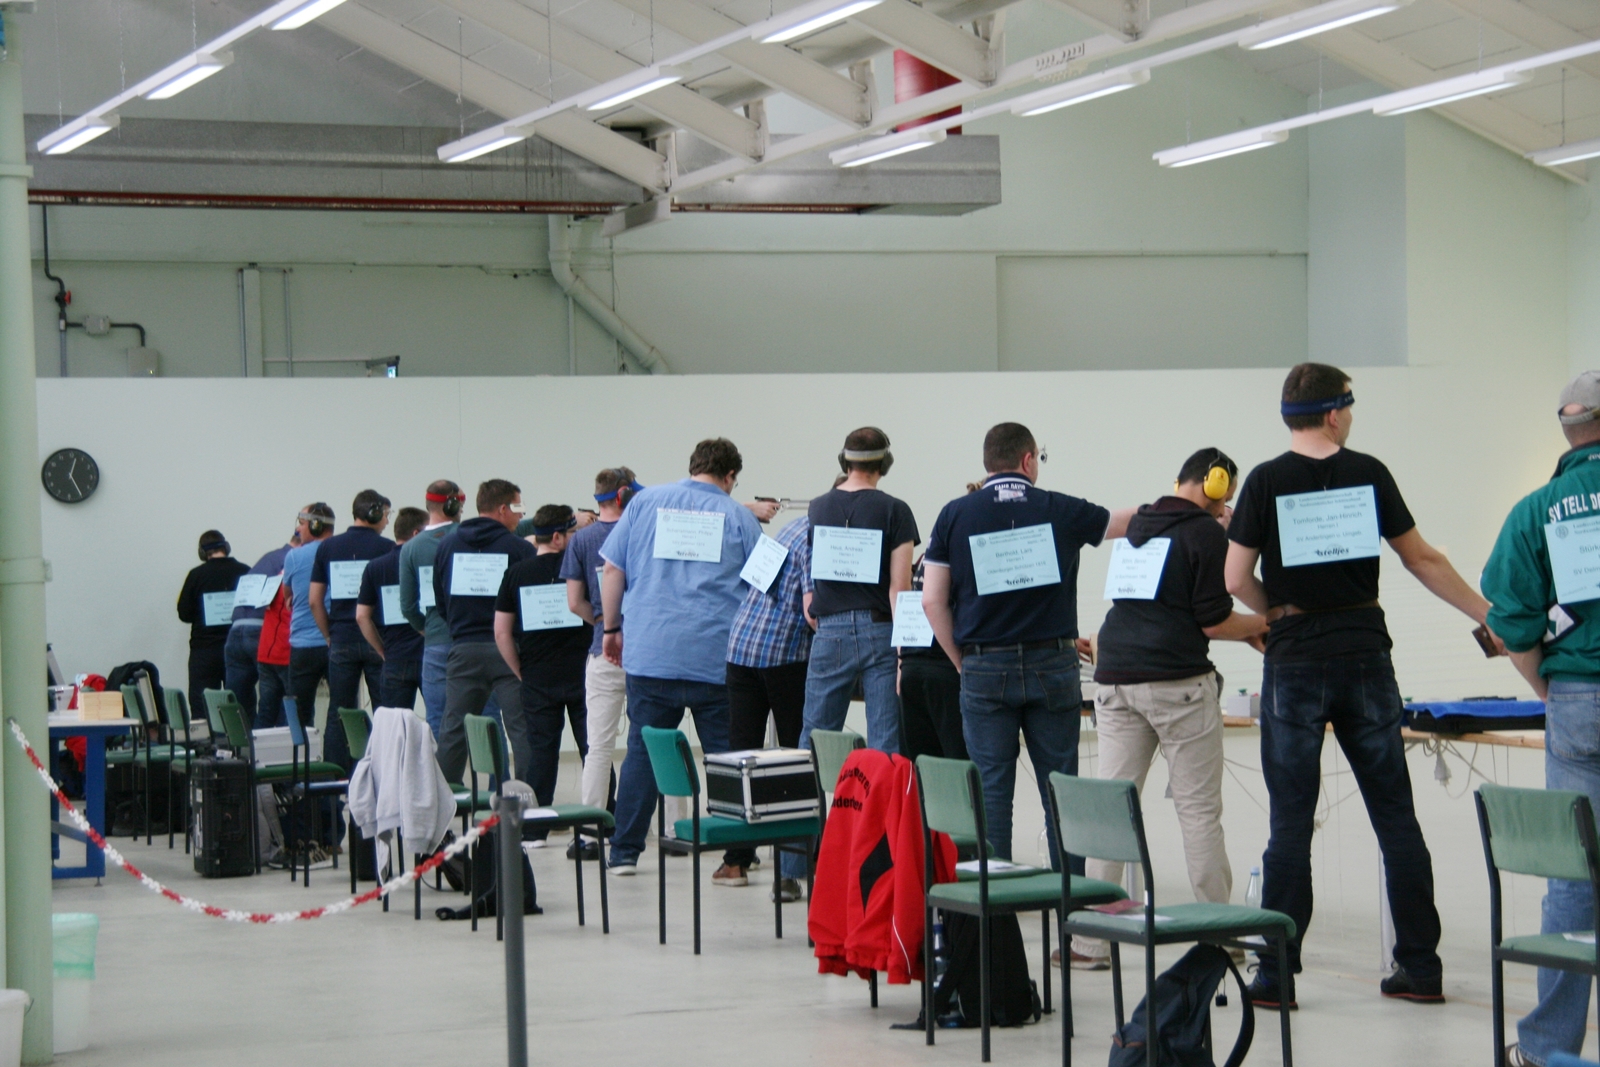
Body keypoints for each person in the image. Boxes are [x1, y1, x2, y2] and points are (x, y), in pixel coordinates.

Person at [1224, 362, 1496, 1009]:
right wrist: (1488, 613)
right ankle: (1420, 967)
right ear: (1333, 414)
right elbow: (1420, 557)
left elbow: (1233, 578)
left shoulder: (1264, 480)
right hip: (1366, 652)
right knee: (1395, 816)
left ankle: (1277, 976)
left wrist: (1276, 614)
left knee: (1291, 823)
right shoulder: (1368, 472)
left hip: (1294, 660)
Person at [1070, 448, 1269, 970]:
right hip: (1177, 684)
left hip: (1115, 680)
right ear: (1215, 482)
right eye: (1225, 494)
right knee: (1199, 814)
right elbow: (1214, 620)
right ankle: (1220, 936)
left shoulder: (1139, 525)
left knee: (1113, 811)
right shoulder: (1205, 534)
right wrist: (1262, 623)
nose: (1226, 505)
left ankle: (1089, 944)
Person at [921, 422, 1133, 864]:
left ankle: (996, 900)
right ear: (1028, 460)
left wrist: (962, 661)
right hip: (1052, 664)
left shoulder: (954, 515)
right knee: (1061, 790)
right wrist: (1186, 506)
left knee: (992, 792)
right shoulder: (1061, 508)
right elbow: (1126, 522)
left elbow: (932, 600)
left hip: (983, 665)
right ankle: (1069, 901)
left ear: (988, 462)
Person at [1482, 371, 1600, 1067]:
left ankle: (1550, 1046)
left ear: (1567, 431)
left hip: (1578, 697)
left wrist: (1547, 688)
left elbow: (1511, 619)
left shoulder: (1536, 511)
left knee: (1574, 874)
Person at [600, 438, 762, 875]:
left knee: (642, 751)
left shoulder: (643, 504)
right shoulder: (739, 517)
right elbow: (767, 581)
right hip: (717, 658)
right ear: (730, 476)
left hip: (652, 653)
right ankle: (737, 856)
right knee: (726, 759)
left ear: (693, 466)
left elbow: (612, 569)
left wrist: (611, 629)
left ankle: (624, 852)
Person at [800, 427, 917, 756]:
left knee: (816, 739)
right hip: (880, 630)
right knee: (885, 740)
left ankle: (812, 792)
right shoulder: (896, 510)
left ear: (844, 461)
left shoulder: (818, 507)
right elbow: (900, 588)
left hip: (829, 631)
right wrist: (904, 653)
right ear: (885, 463)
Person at [720, 507, 814, 897]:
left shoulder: (789, 527)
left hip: (741, 645)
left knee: (742, 755)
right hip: (785, 654)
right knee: (794, 759)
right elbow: (814, 611)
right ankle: (794, 864)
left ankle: (736, 860)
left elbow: (753, 582)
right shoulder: (823, 538)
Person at [494, 505, 592, 851]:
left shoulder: (516, 573)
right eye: (573, 533)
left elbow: (502, 632)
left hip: (537, 676)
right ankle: (603, 821)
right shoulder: (579, 569)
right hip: (583, 674)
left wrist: (520, 670)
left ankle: (534, 830)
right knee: (593, 750)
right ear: (558, 537)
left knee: (541, 753)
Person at [433, 479, 536, 784]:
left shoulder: (447, 546)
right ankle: (530, 800)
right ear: (503, 509)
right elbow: (527, 602)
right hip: (510, 651)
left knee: (453, 731)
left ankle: (443, 801)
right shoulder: (519, 549)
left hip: (463, 649)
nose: (521, 514)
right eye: (517, 507)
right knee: (522, 729)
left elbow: (441, 601)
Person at [562, 468, 638, 827]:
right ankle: (671, 826)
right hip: (644, 651)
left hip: (602, 650)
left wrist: (602, 622)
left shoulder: (581, 540)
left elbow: (573, 601)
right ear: (624, 494)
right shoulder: (640, 531)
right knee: (653, 741)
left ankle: (591, 825)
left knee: (598, 747)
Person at [309, 490, 395, 770]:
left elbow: (314, 600)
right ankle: (384, 771)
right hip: (377, 638)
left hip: (342, 638)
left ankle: (337, 775)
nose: (387, 521)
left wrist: (328, 635)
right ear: (374, 513)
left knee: (339, 711)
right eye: (386, 514)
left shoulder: (328, 548)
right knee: (384, 711)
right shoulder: (387, 548)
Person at [400, 479, 465, 738]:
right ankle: (492, 767)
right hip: (473, 640)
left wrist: (426, 628)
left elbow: (407, 606)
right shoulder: (468, 536)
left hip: (436, 641)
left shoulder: (411, 548)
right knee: (487, 714)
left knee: (438, 718)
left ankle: (442, 767)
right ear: (452, 505)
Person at [222, 526, 298, 727]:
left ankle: (242, 745)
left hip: (235, 633)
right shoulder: (293, 559)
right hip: (260, 633)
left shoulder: (268, 558)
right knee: (277, 702)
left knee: (239, 708)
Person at [356, 506, 428, 709]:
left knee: (395, 724)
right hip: (429, 654)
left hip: (395, 656)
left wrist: (381, 649)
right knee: (440, 719)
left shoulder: (375, 567)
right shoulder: (429, 562)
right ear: (416, 534)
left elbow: (361, 616)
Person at [897, 551, 966, 763]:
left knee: (921, 767)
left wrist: (900, 663)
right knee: (959, 765)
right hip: (946, 666)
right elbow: (931, 603)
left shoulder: (925, 557)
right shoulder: (957, 547)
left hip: (911, 665)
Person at [176, 530, 251, 716]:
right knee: (240, 706)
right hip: (238, 648)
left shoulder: (196, 575)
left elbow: (184, 613)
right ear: (226, 548)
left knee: (202, 708)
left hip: (204, 651)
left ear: (202, 553)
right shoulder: (245, 571)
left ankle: (206, 737)